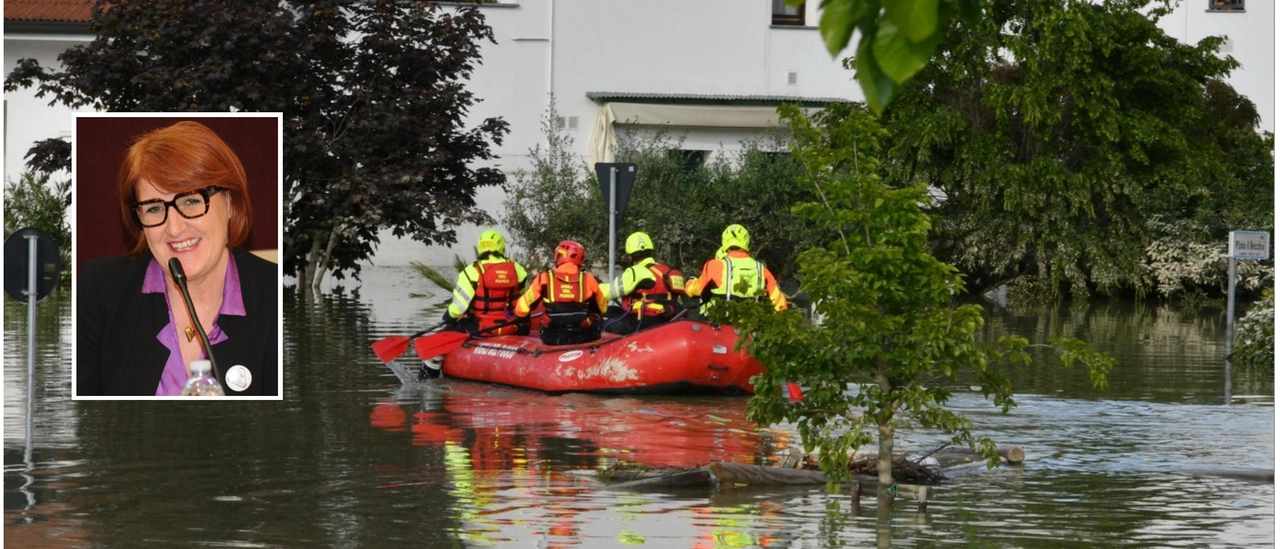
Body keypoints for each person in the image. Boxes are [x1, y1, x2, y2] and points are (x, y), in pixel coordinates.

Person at [77, 121, 279, 396]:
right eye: (154, 208)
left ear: (230, 203)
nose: (173, 228)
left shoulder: (276, 295)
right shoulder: (102, 291)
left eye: (191, 201)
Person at [421, 229, 528, 380]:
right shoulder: (518, 269)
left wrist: (448, 318)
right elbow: (520, 292)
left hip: (482, 327)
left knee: (443, 334)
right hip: (512, 326)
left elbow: (458, 308)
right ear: (501, 247)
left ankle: (426, 381)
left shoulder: (471, 271)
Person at [513, 240, 608, 345]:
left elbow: (521, 309)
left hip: (551, 337)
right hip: (582, 336)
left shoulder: (544, 278)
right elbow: (603, 308)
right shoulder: (589, 280)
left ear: (560, 255)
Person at [684, 224, 787, 314]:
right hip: (749, 330)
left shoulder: (714, 265)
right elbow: (781, 305)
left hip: (720, 330)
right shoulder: (762, 269)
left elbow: (692, 291)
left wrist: (690, 280)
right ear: (746, 242)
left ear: (724, 241)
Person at [601, 231, 686, 334]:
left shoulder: (637, 271)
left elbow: (609, 292)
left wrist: (591, 288)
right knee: (613, 310)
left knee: (602, 325)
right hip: (667, 318)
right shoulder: (665, 270)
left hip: (645, 322)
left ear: (631, 256)